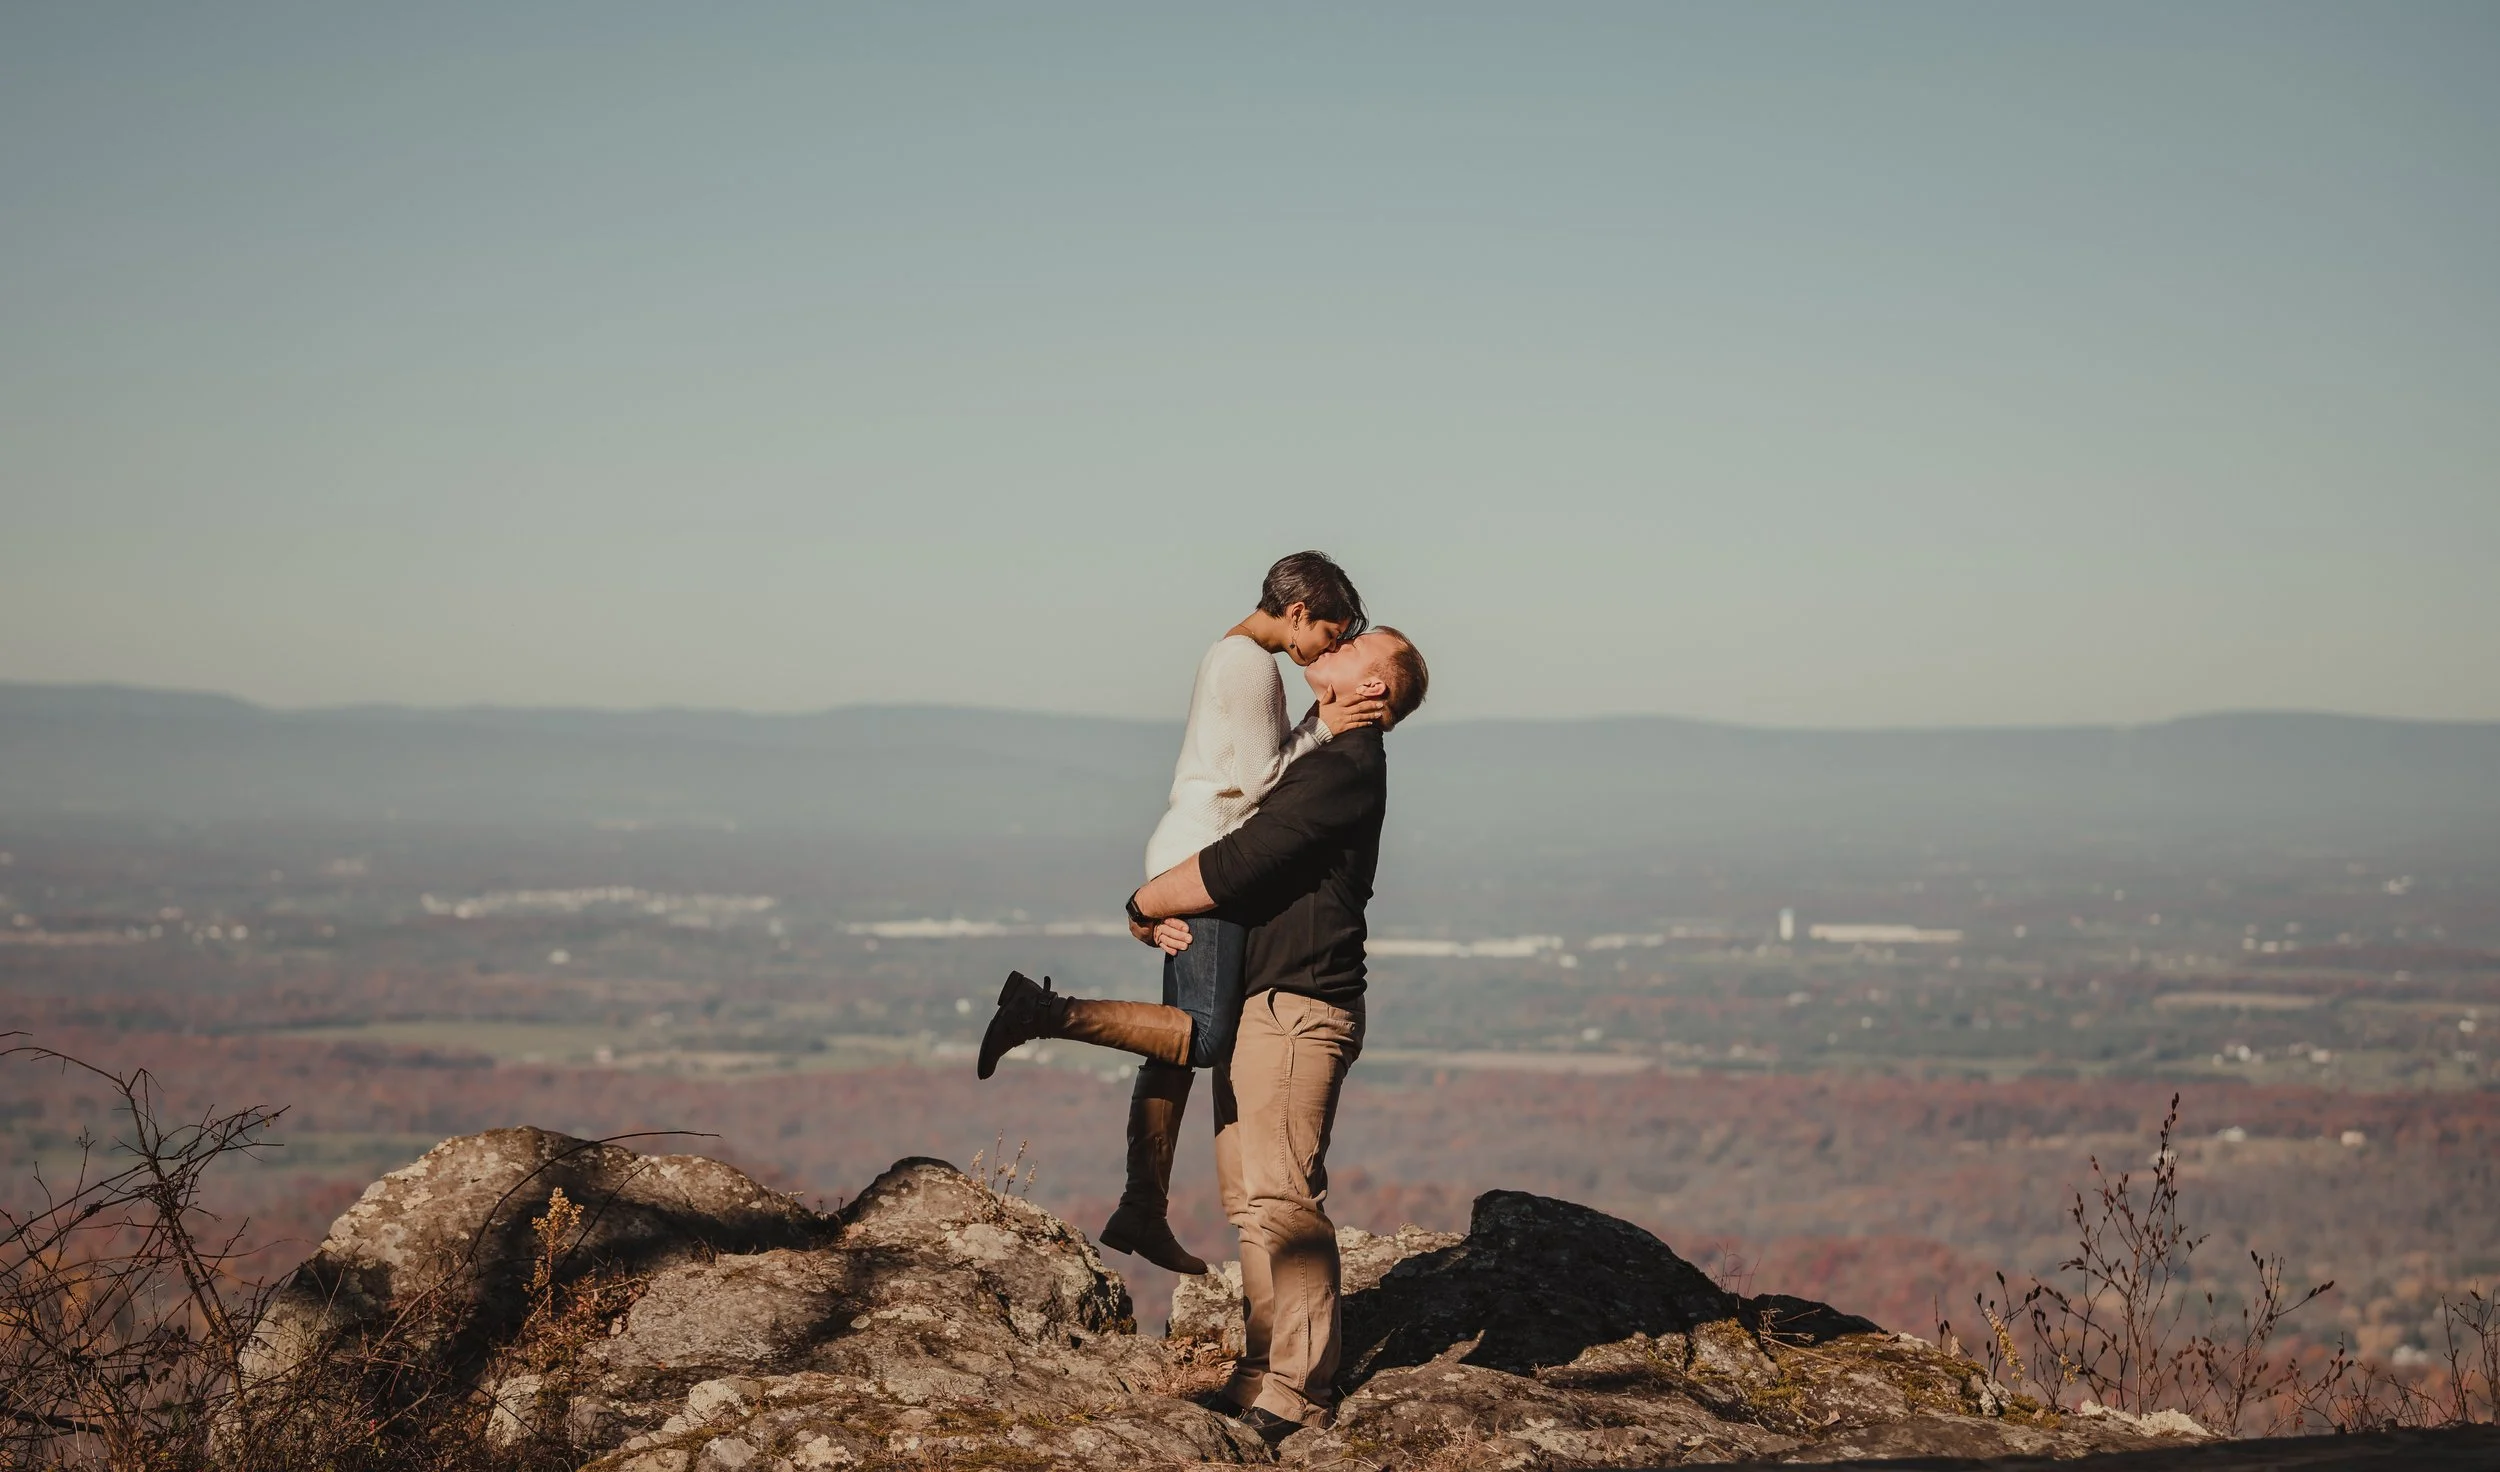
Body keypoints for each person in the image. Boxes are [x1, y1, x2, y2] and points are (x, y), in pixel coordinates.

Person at [980, 626, 1430, 1443]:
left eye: (1360, 648)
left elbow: (1238, 861)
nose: (1341, 646)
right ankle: (1261, 1372)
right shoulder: (1324, 758)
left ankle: (1298, 1390)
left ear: (1373, 692)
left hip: (1299, 1010)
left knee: (1284, 1203)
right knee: (1253, 1205)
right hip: (1267, 1004)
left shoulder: (1347, 771)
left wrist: (1145, 902)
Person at [977, 552, 1384, 1279]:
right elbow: (1260, 783)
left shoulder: (1233, 657)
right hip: (1206, 859)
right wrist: (1325, 725)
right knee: (1203, 1037)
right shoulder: (1249, 664)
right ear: (1297, 613)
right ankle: (1042, 1012)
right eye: (1332, 628)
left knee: (1175, 1046)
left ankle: (1142, 1206)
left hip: (1187, 850)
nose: (1331, 645)